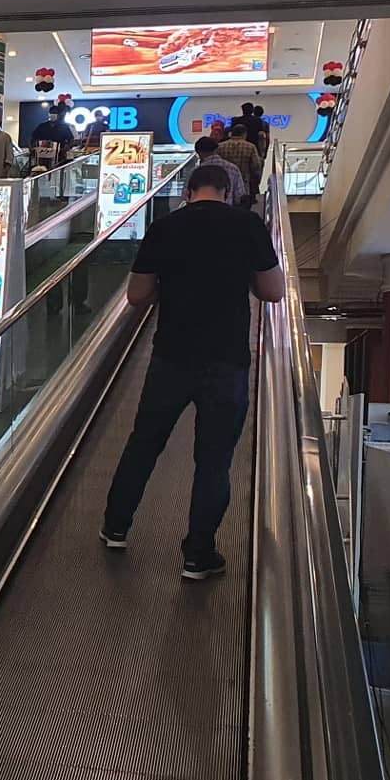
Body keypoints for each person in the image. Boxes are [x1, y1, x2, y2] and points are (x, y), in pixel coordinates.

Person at [100, 163, 284, 579]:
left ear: (188, 190)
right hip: (227, 359)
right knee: (214, 460)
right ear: (228, 189)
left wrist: (174, 285)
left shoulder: (165, 227)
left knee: (144, 443)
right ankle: (198, 555)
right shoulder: (247, 225)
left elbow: (137, 296)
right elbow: (271, 291)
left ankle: (115, 527)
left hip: (171, 355)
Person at [216, 121, 263, 208]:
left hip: (222, 183)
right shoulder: (250, 147)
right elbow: (256, 165)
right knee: (242, 207)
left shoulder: (220, 146)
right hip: (244, 182)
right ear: (244, 134)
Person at [193, 135, 243, 205]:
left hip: (202, 212)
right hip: (227, 212)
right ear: (216, 149)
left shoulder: (196, 172)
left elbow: (187, 196)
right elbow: (239, 196)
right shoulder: (233, 168)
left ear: (199, 153)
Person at [28, 103, 73, 171]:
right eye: (51, 113)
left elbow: (71, 140)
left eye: (55, 113)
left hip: (58, 158)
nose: (53, 114)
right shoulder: (42, 126)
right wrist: (31, 148)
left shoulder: (64, 127)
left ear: (59, 115)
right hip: (42, 158)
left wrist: (65, 149)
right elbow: (32, 138)